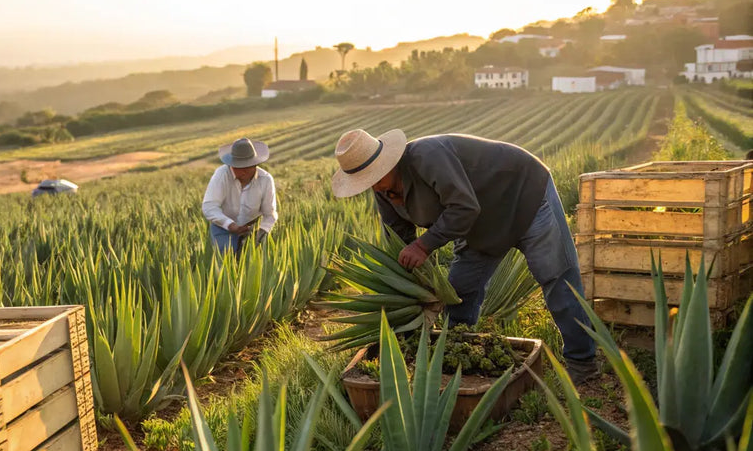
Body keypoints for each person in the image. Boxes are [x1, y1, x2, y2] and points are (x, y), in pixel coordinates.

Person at [331, 129, 598, 384]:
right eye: (366, 182)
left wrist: (424, 246)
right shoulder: (384, 193)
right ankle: (454, 357)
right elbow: (398, 237)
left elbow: (464, 207)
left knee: (556, 278)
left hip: (524, 195)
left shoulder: (427, 156)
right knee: (459, 293)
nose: (373, 186)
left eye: (373, 177)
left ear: (387, 162)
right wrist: (413, 283)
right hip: (480, 225)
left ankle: (582, 362)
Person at [202, 137, 277, 254]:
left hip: (251, 228)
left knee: (251, 264)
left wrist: (261, 232)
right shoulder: (221, 175)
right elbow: (209, 207)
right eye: (237, 167)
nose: (242, 171)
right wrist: (230, 225)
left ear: (255, 165)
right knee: (227, 260)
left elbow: (269, 214)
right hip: (222, 226)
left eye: (246, 167)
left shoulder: (266, 180)